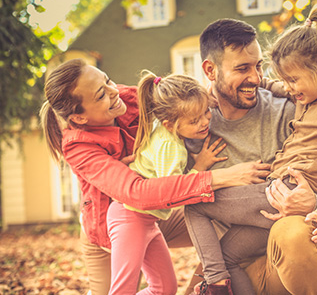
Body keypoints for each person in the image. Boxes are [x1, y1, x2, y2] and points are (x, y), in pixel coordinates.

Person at [39, 59, 271, 295]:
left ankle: (207, 289)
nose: (113, 90)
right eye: (101, 95)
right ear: (79, 118)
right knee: (119, 289)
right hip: (114, 225)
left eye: (107, 79)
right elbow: (138, 192)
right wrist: (222, 176)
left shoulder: (129, 98)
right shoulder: (78, 146)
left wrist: (269, 86)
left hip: (156, 215)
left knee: (170, 282)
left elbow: (181, 98)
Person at [184, 5, 317, 295]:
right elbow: (272, 83)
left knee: (194, 200)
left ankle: (216, 282)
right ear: (210, 70)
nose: (256, 78)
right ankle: (218, 281)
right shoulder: (194, 122)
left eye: (258, 67)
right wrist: (200, 91)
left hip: (281, 203)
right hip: (266, 210)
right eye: (243, 68)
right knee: (225, 256)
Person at [106, 72, 231, 294]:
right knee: (122, 289)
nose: (204, 122)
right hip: (130, 217)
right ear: (170, 123)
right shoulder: (169, 145)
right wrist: (200, 166)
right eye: (194, 120)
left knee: (164, 288)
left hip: (146, 221)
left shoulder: (166, 131)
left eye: (206, 112)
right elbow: (169, 194)